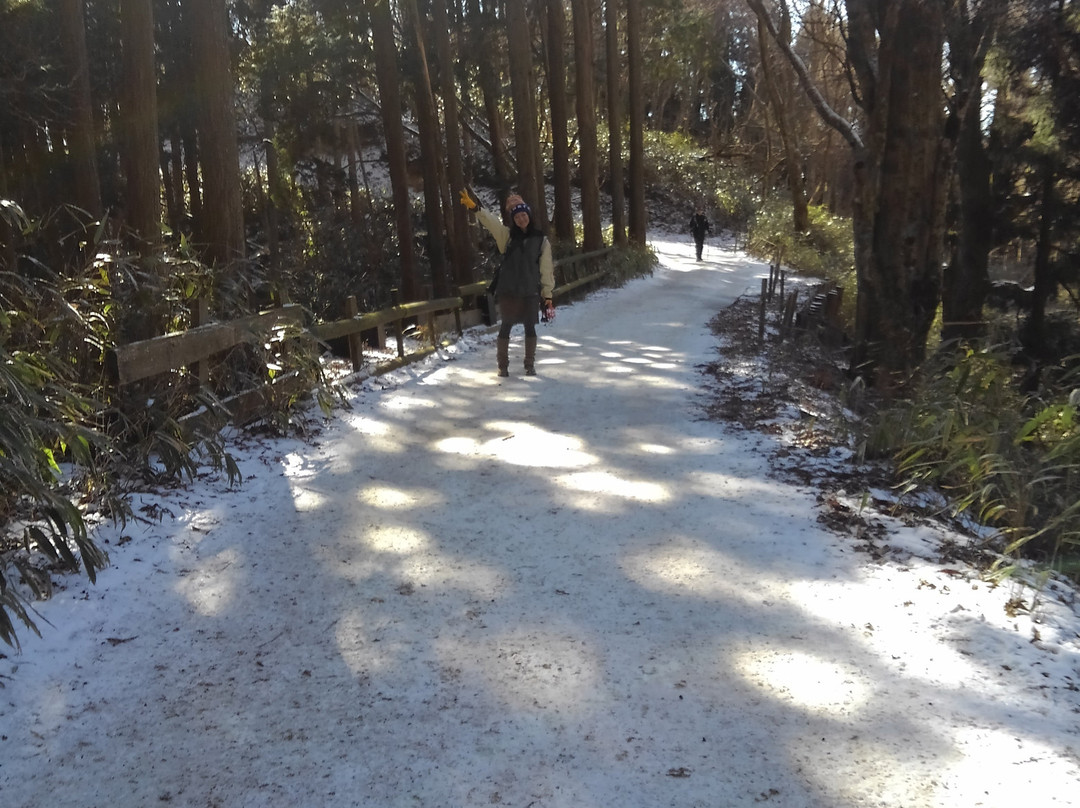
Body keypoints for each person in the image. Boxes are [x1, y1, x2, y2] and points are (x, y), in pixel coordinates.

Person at [459, 189, 555, 377]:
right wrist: (475, 208)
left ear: (528, 215)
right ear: (513, 219)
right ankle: (502, 365)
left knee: (530, 327)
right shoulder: (507, 237)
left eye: (523, 215)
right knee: (506, 326)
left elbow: (546, 269)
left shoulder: (541, 241)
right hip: (508, 289)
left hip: (529, 290)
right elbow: (491, 222)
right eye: (517, 216)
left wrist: (548, 295)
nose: (521, 219)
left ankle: (530, 364)